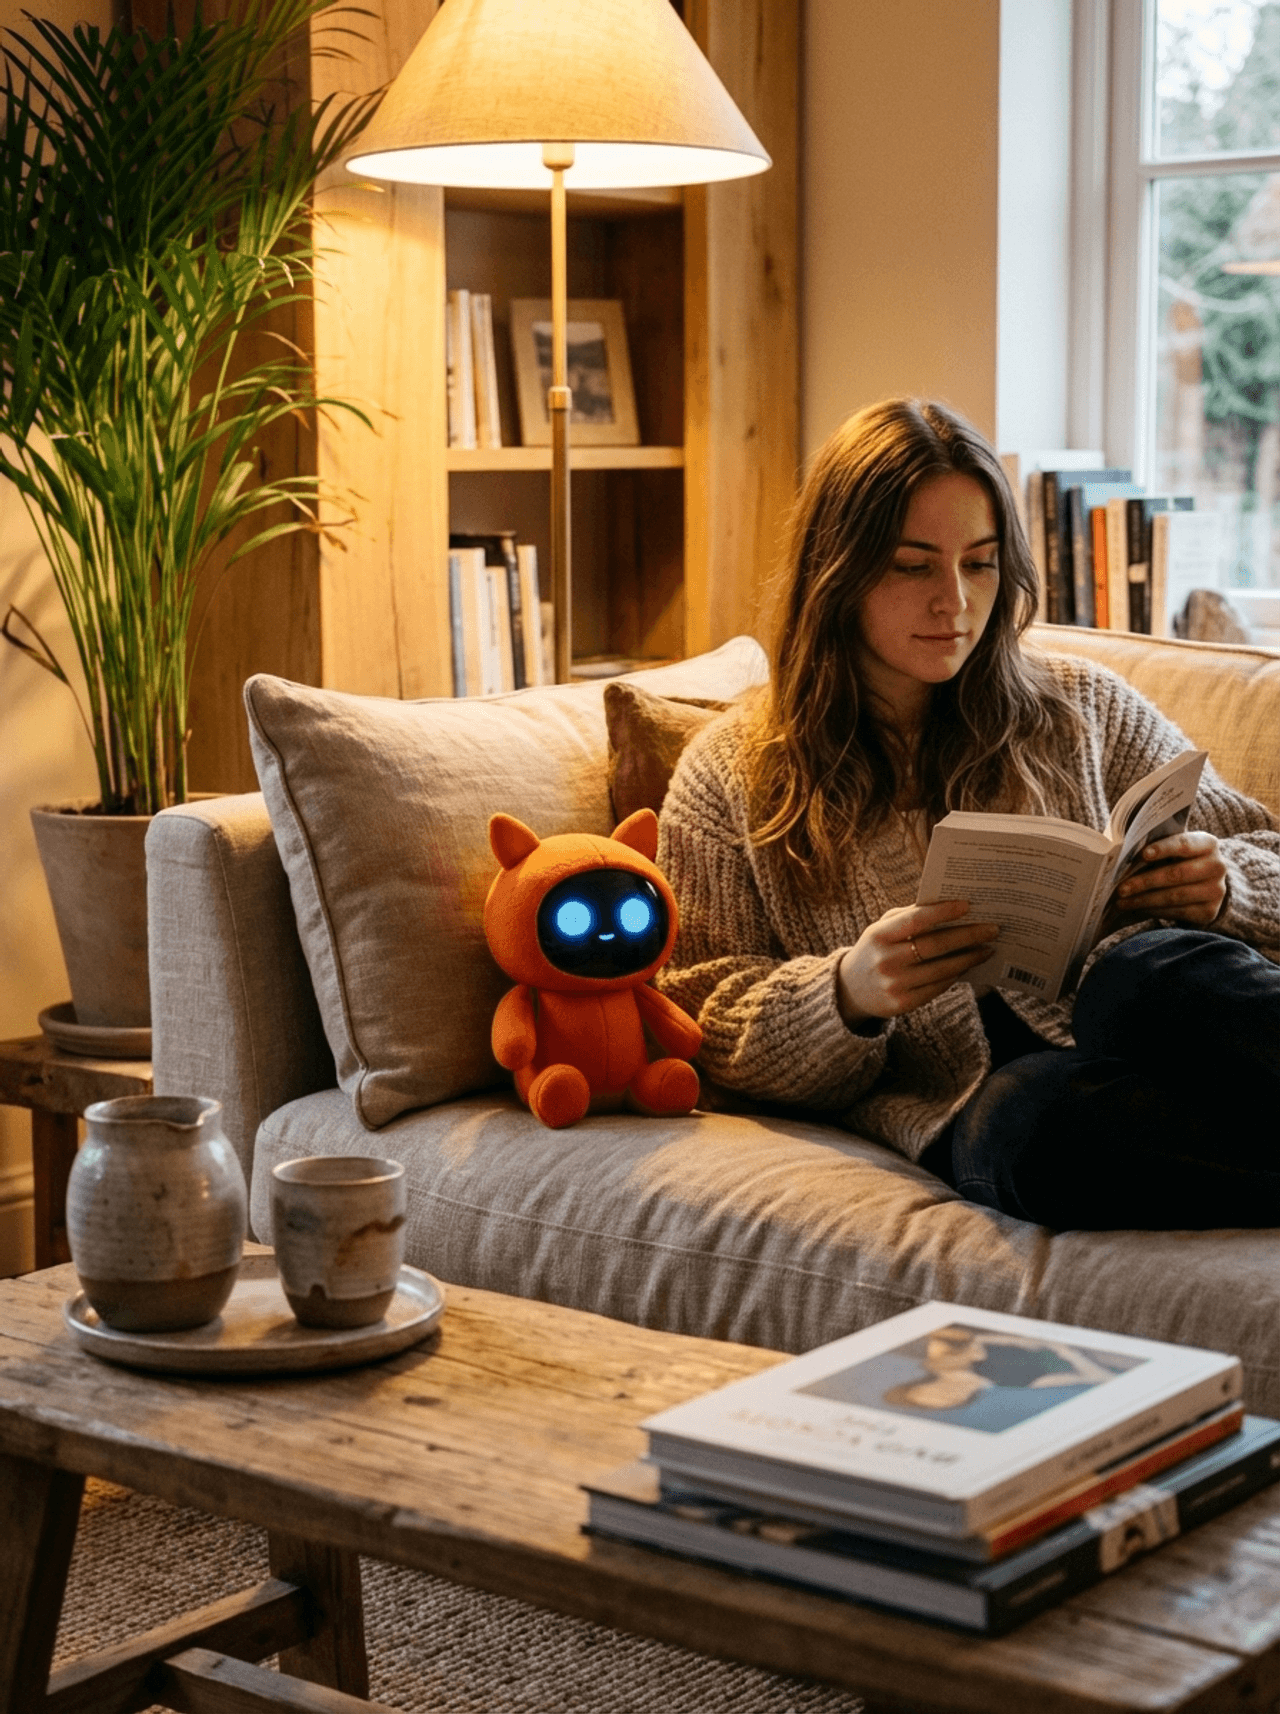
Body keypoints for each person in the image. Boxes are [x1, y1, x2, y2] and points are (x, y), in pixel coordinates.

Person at [656, 398, 1280, 1230]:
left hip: (1170, 1033)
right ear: (837, 572)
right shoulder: (732, 773)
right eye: (913, 566)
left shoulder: (1082, 707)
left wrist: (1227, 884)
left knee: (1139, 979)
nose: (953, 600)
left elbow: (1263, 846)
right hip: (979, 1098)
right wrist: (846, 993)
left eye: (980, 564)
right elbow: (700, 1006)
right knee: (1028, 1126)